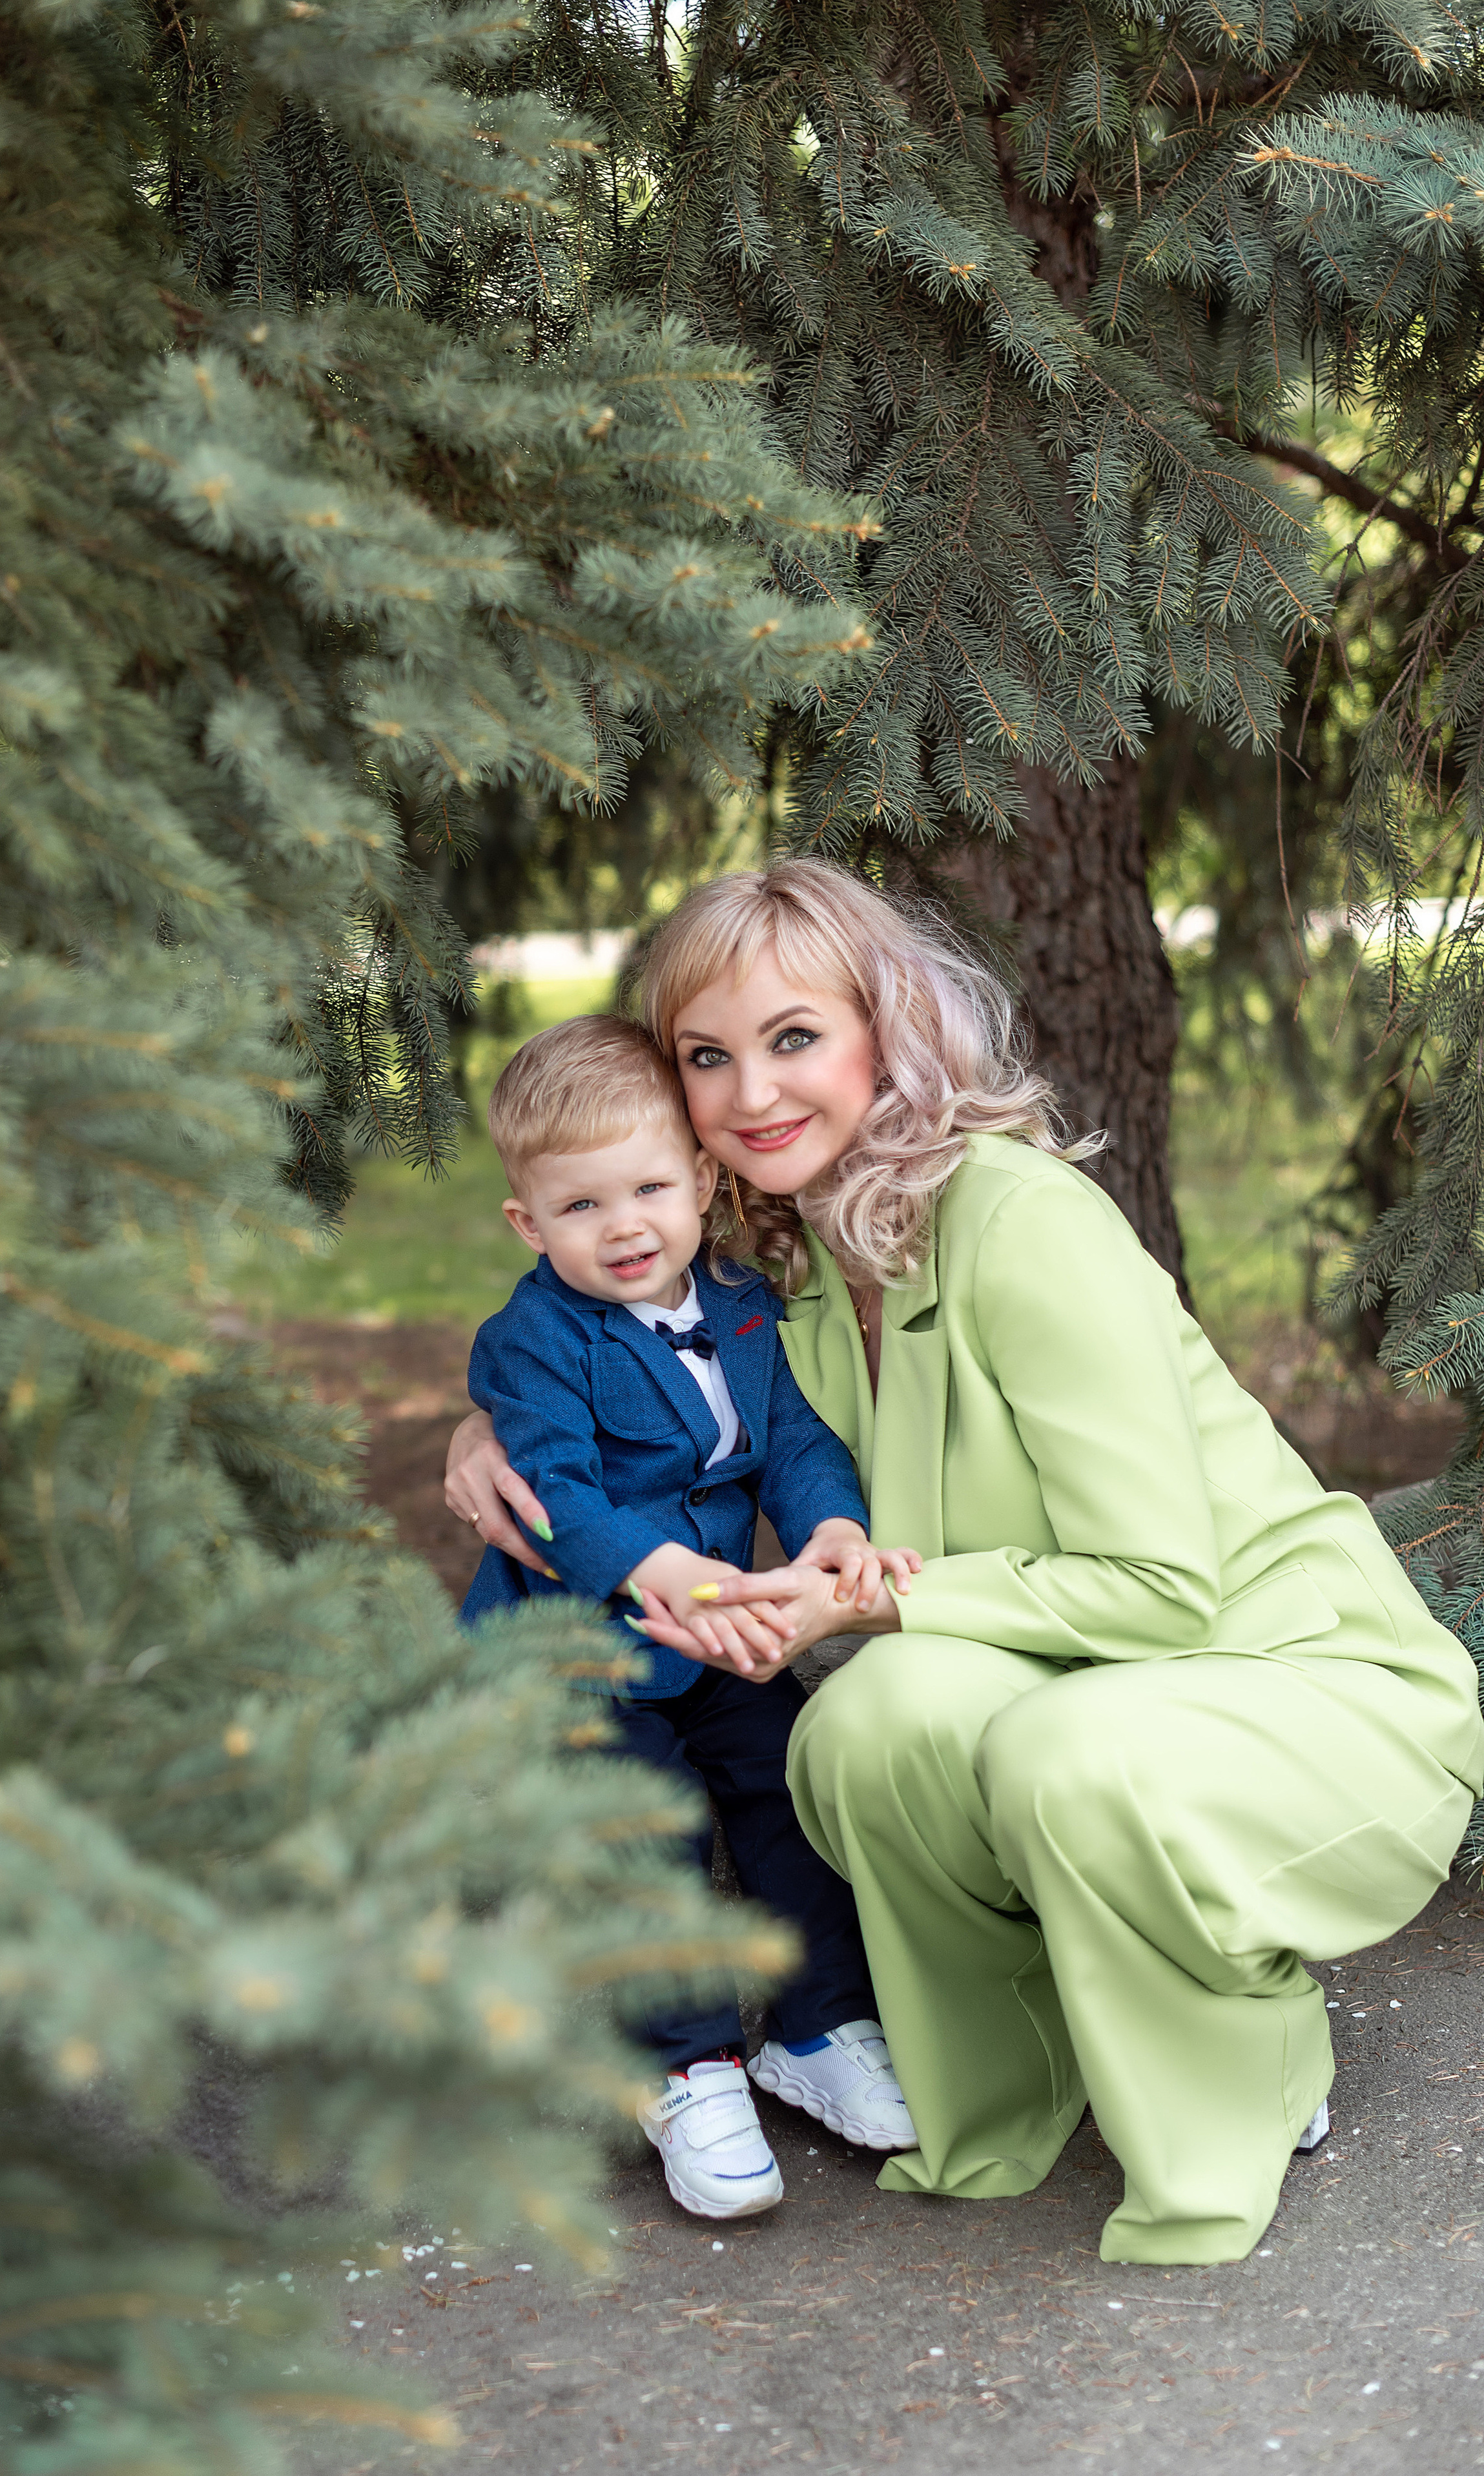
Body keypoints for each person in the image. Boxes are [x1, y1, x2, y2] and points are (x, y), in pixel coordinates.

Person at [448, 860, 1484, 2267]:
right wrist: (485, 1424)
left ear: (884, 1029)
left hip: (1288, 1680)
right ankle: (1026, 2069)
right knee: (861, 1728)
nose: (749, 1092)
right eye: (706, 1056)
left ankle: (1241, 2035)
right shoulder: (791, 1266)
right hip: (1084, 1683)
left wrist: (868, 1590)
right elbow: (624, 1351)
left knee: (1059, 1753)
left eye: (793, 1038)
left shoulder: (1020, 1220)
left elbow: (1161, 1591)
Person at [459, 1013, 922, 2221]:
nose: (623, 1227)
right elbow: (556, 1496)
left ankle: (819, 2028)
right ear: (528, 1221)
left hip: (716, 1631)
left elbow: (793, 1444)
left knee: (788, 1782)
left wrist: (831, 1529)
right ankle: (686, 2067)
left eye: (651, 1188)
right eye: (580, 1206)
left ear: (703, 1181)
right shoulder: (533, 1341)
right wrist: (679, 1580)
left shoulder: (739, 1299)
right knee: (646, 1826)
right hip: (587, 1647)